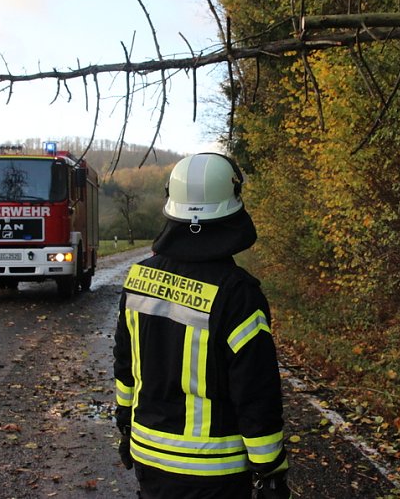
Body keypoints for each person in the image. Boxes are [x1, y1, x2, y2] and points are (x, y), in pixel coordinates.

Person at [113, 153, 291, 499]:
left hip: (149, 458)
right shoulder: (238, 293)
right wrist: (269, 470)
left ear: (171, 204)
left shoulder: (139, 279)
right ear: (233, 206)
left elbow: (125, 367)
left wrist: (125, 423)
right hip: (214, 473)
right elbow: (256, 392)